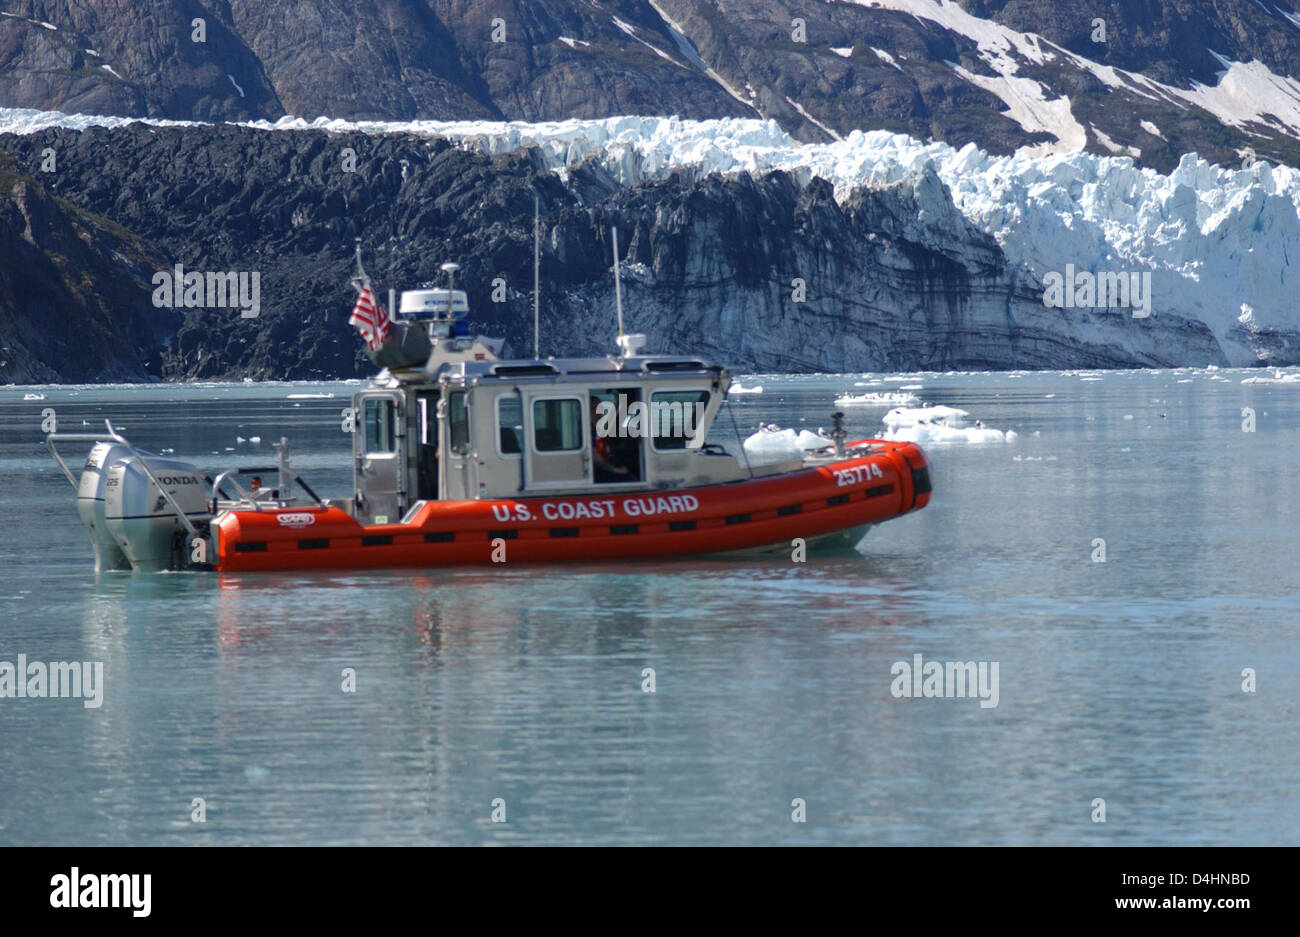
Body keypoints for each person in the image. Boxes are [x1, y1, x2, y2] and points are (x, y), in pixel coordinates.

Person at [591, 397, 630, 482]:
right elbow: (594, 457)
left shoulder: (597, 429)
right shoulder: (588, 429)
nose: (601, 413)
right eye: (599, 409)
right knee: (630, 480)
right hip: (596, 474)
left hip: (602, 469)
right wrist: (614, 470)